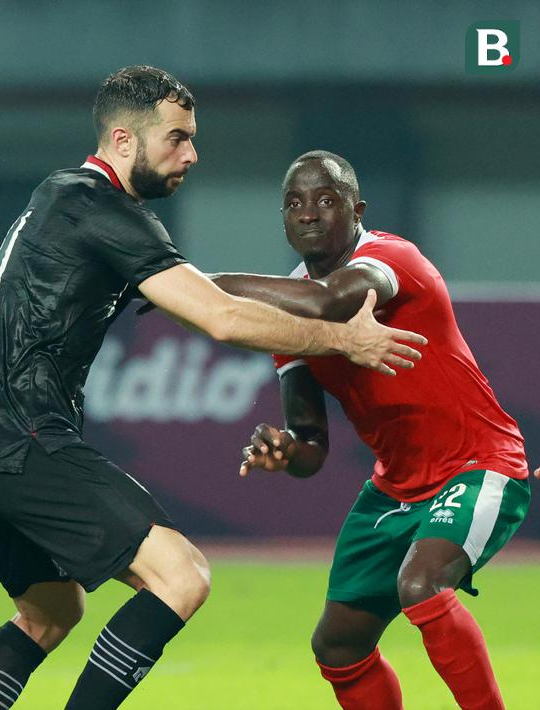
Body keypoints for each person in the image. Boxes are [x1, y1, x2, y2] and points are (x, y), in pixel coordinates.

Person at [0, 67, 427, 710]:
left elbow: (194, 300)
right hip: (26, 438)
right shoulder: (104, 207)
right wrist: (345, 339)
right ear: (123, 140)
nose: (192, 154)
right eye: (176, 138)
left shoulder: (61, 196)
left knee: (50, 612)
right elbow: (221, 317)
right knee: (182, 575)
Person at [220, 150, 532, 709]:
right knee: (337, 644)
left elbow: (331, 299)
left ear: (357, 209)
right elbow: (312, 445)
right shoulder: (284, 319)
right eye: (294, 203)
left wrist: (199, 284)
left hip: (478, 464)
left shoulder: (389, 257)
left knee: (421, 586)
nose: (308, 213)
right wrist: (285, 449)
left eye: (325, 199)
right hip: (394, 488)